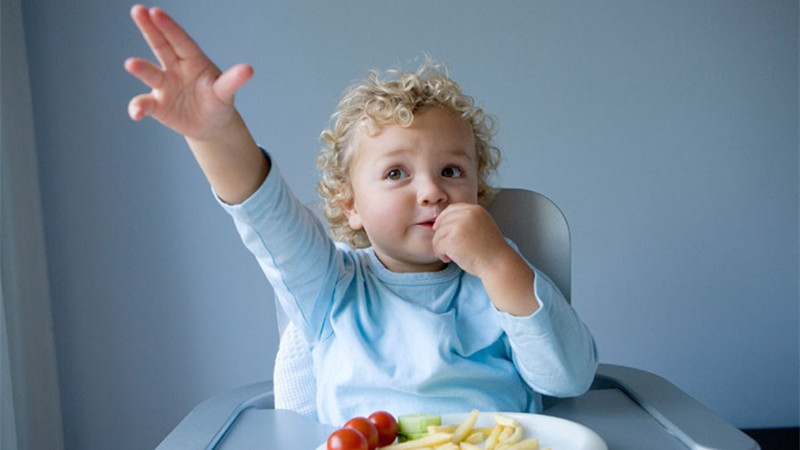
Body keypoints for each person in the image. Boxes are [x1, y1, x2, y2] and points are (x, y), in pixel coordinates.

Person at [125, 4, 598, 426]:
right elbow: (267, 218)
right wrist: (215, 134)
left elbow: (569, 378)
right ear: (350, 205)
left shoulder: (498, 277)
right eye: (396, 173)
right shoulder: (331, 286)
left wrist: (497, 263)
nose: (432, 191)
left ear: (478, 188)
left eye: (451, 170)